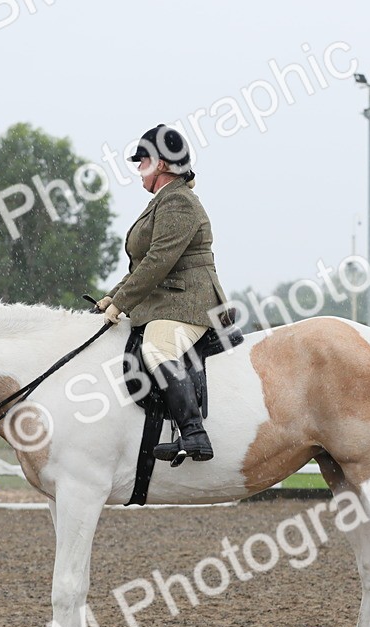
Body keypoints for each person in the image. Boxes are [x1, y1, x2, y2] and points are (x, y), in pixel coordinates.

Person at [97, 123, 228, 465]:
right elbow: (141, 265)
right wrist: (112, 298)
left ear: (162, 165)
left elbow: (158, 261)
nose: (138, 168)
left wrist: (123, 303)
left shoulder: (179, 203)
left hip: (190, 302)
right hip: (166, 301)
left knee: (158, 347)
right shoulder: (164, 201)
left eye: (143, 161)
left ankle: (194, 433)